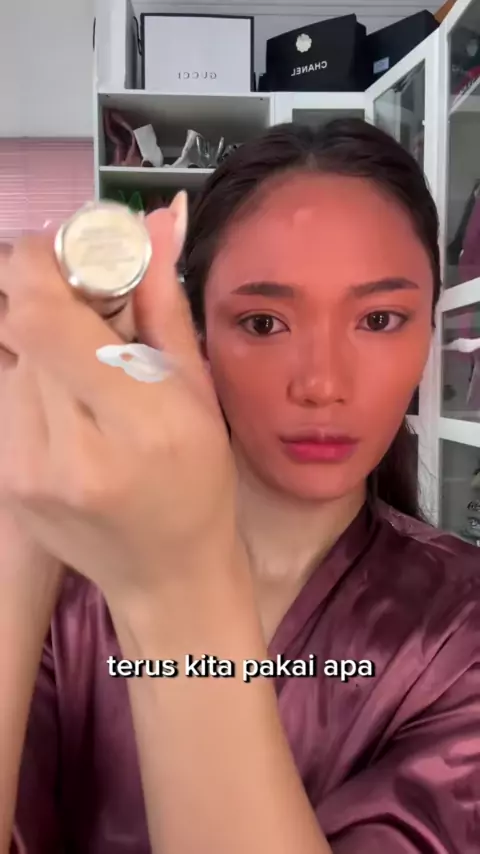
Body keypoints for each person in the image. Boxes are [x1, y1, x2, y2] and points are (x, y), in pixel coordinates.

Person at [0, 119, 478, 854]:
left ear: (429, 333)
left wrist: (175, 591)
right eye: (263, 322)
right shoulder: (71, 597)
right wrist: (22, 517)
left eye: (380, 319)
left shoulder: (460, 631)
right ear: (195, 334)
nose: (321, 383)